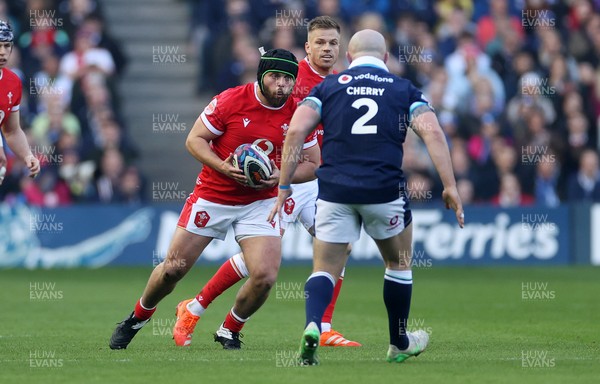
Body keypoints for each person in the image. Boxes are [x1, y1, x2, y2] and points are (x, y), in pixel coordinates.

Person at [268, 29, 464, 365]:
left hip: (334, 190)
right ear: (385, 59)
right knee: (398, 265)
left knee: (325, 268)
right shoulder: (403, 89)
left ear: (349, 58)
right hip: (383, 189)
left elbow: (297, 130)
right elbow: (432, 132)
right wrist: (450, 186)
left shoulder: (328, 86)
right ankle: (399, 342)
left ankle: (314, 325)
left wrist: (284, 185)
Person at [109, 48, 320, 350]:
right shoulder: (231, 100)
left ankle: (230, 328)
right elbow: (194, 140)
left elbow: (314, 164)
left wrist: (281, 178)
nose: (281, 85)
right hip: (214, 194)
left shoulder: (299, 113)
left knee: (264, 276)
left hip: (261, 201)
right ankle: (137, 317)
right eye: (275, 76)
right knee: (173, 270)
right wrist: (223, 167)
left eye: (288, 79)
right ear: (261, 76)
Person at [171, 16, 360, 349]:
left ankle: (322, 326)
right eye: (320, 43)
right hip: (278, 183)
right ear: (307, 47)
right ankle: (194, 307)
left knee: (339, 244)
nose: (328, 49)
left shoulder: (339, 83)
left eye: (333, 43)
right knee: (259, 264)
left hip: (312, 177)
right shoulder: (290, 78)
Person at [0, 20, 40, 186]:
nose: (3, 52)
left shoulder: (13, 82)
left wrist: (27, 155)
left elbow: (12, 131)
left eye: (7, 46)